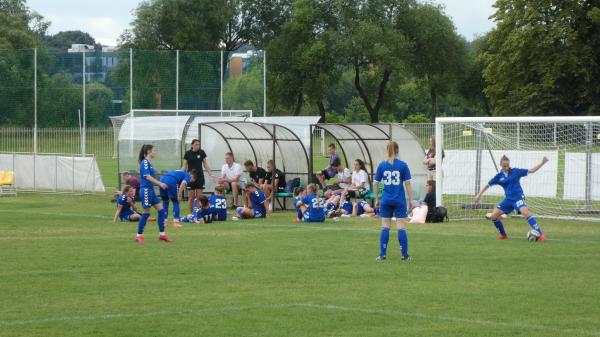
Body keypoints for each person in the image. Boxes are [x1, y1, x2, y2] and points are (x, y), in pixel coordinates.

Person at [474, 155, 549, 241]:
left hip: (518, 198)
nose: (506, 167)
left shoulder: (516, 171)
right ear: (501, 165)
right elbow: (487, 185)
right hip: (508, 200)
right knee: (493, 216)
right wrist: (479, 195)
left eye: (507, 165)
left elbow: (531, 170)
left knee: (525, 213)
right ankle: (503, 235)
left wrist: (543, 162)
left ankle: (541, 234)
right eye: (504, 166)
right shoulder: (498, 177)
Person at [374, 141, 414, 261]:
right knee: (401, 226)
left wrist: (377, 198)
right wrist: (411, 199)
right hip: (399, 199)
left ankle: (382, 255)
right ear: (397, 151)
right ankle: (405, 255)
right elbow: (408, 184)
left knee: (385, 226)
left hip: (386, 199)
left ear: (387, 151)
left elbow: (375, 183)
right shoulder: (403, 165)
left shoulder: (382, 165)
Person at [135, 144, 171, 243]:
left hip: (151, 190)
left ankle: (162, 235)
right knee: (146, 213)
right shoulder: (145, 162)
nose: (155, 152)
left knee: (161, 210)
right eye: (154, 151)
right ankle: (139, 235)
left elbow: (153, 177)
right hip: (146, 190)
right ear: (148, 151)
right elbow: (147, 177)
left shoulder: (149, 163)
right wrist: (160, 183)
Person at [182, 139, 215, 214]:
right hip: (191, 178)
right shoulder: (188, 153)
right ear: (192, 145)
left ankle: (199, 213)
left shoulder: (201, 152)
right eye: (196, 144)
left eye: (199, 144)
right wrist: (180, 174)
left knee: (199, 197)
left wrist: (210, 174)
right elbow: (184, 166)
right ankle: (191, 214)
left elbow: (205, 164)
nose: (198, 146)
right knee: (191, 197)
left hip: (200, 177)